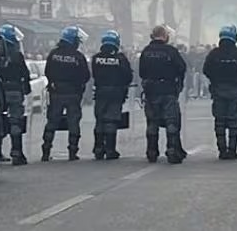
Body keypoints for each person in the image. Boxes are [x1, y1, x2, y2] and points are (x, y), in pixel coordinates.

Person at [203, 24, 237, 159]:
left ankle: (222, 150)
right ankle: (232, 150)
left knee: (219, 120)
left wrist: (214, 81)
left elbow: (205, 70)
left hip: (218, 89)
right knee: (234, 120)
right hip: (234, 90)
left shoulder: (214, 53)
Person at [41, 26, 91, 161]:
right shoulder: (78, 56)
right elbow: (86, 75)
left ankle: (46, 150)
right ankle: (72, 152)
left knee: (52, 121)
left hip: (56, 92)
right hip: (73, 93)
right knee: (73, 122)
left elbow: (47, 72)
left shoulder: (53, 54)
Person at [139, 25, 188, 164]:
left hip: (151, 91)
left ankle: (151, 151)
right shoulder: (171, 51)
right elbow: (182, 68)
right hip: (168, 90)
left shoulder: (146, 51)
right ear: (165, 36)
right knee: (171, 121)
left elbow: (141, 72)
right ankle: (172, 150)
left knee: (152, 122)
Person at [0, 24, 32, 166]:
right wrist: (26, 89)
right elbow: (25, 74)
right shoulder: (16, 55)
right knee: (16, 121)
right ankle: (17, 154)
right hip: (14, 91)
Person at [90, 30, 132, 160]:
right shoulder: (120, 59)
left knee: (100, 121)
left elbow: (94, 75)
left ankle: (98, 148)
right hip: (116, 93)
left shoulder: (96, 58)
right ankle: (110, 149)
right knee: (111, 121)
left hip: (101, 92)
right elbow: (128, 76)